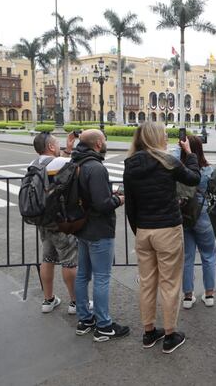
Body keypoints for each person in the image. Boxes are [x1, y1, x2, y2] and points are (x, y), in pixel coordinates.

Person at [124, 122, 200, 353]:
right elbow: (194, 179)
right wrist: (190, 154)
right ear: (156, 138)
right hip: (167, 228)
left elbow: (131, 204)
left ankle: (148, 332)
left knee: (147, 283)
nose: (166, 139)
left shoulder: (130, 164)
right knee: (169, 283)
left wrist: (138, 230)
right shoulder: (168, 162)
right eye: (164, 135)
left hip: (144, 230)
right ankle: (169, 334)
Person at [72, 129, 129, 342]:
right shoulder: (95, 167)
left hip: (82, 227)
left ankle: (84, 319)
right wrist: (119, 200)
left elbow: (90, 197)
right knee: (102, 277)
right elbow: (102, 205)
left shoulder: (76, 162)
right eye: (104, 140)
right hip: (99, 229)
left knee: (82, 275)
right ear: (97, 144)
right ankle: (104, 325)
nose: (105, 143)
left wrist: (108, 195)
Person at [31, 131, 79, 314]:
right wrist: (72, 151)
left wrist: (67, 148)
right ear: (51, 147)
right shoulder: (60, 162)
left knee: (48, 259)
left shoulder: (33, 163)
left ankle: (48, 299)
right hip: (60, 219)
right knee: (69, 261)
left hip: (43, 219)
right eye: (57, 144)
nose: (58, 146)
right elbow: (76, 166)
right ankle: (75, 302)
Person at [175, 135, 216, 309]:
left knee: (187, 257)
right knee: (208, 255)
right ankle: (209, 294)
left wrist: (181, 152)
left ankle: (187, 296)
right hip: (203, 215)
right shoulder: (208, 171)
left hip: (183, 215)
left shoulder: (178, 170)